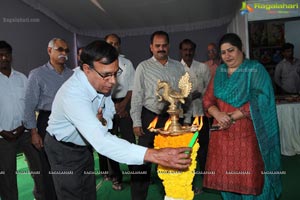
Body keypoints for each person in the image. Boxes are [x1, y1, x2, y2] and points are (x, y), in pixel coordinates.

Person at [43, 40, 191, 200]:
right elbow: (102, 141)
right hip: (63, 150)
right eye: (107, 75)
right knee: (72, 194)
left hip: (84, 147)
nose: (113, 81)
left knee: (88, 193)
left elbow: (109, 113)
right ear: (86, 69)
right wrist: (154, 155)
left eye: (115, 73)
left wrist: (101, 122)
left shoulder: (101, 82)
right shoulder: (72, 94)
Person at [202, 33, 282, 199]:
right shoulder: (219, 72)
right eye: (223, 52)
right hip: (222, 138)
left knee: (249, 178)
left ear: (241, 50)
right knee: (227, 181)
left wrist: (232, 117)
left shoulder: (254, 69)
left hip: (247, 136)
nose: (227, 56)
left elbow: (262, 98)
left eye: (231, 50)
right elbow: (208, 100)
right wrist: (217, 113)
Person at [130, 31, 186, 200]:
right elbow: (137, 95)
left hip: (172, 119)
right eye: (157, 46)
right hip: (149, 117)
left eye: (164, 45)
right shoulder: (143, 67)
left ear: (168, 46)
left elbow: (184, 93)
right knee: (143, 160)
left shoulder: (179, 66)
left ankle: (171, 196)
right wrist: (136, 121)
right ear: (151, 47)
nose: (161, 49)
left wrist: (184, 118)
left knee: (171, 159)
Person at [23, 38, 74, 200]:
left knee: (67, 165)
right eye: (60, 49)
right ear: (49, 50)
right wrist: (33, 132)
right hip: (46, 122)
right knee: (47, 168)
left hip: (69, 122)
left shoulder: (71, 75)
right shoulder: (37, 74)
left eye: (66, 51)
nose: (64, 54)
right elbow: (29, 106)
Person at [0, 41, 44, 200]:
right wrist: (1, 131)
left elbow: (29, 105)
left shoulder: (22, 78)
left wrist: (23, 126)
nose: (4, 58)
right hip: (2, 138)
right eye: (0, 54)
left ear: (11, 56)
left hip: (25, 133)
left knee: (38, 169)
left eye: (7, 54)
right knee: (7, 177)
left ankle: (41, 196)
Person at [97, 33, 136, 190]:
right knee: (110, 143)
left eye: (115, 43)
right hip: (108, 106)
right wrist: (112, 107)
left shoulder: (127, 63)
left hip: (124, 107)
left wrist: (123, 105)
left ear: (119, 45)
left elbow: (133, 87)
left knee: (129, 142)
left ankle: (136, 176)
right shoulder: (99, 64)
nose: (113, 46)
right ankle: (116, 177)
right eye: (109, 43)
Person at [179, 39, 211, 194]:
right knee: (187, 150)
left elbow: (210, 89)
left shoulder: (202, 67)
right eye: (185, 50)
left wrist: (200, 94)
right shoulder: (176, 68)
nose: (188, 52)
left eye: (190, 49)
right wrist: (185, 97)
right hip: (184, 117)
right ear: (180, 51)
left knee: (204, 149)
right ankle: (188, 184)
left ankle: (207, 182)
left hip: (201, 114)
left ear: (194, 50)